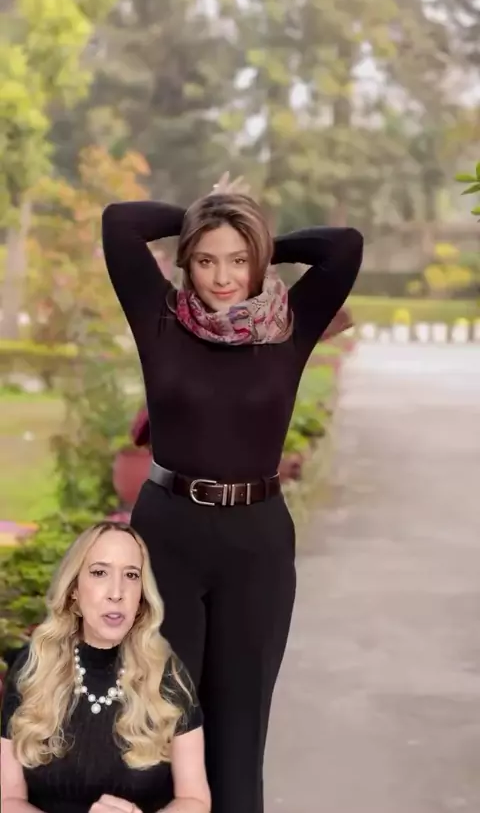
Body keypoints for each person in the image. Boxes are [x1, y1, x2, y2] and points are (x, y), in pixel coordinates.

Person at [101, 172, 364, 813]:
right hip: (168, 537)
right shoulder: (161, 318)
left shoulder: (290, 324)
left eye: (240, 260)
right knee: (160, 729)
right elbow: (119, 222)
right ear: (186, 263)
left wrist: (250, 230)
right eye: (206, 260)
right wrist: (205, 215)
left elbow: (344, 246)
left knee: (239, 740)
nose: (223, 277)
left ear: (258, 261)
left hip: (257, 545)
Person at [1, 521, 211, 813]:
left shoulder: (167, 675)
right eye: (100, 573)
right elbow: (7, 800)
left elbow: (195, 799)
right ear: (74, 590)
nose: (116, 592)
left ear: (141, 595)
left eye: (131, 575)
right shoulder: (32, 669)